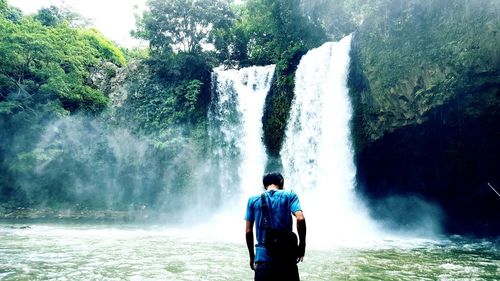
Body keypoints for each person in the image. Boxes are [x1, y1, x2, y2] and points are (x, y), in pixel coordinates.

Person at [245, 172, 306, 281]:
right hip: (286, 260)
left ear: (264, 185)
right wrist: (302, 246)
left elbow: (248, 231)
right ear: (281, 182)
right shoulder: (290, 195)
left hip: (263, 260)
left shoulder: (253, 200)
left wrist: (251, 256)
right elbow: (300, 218)